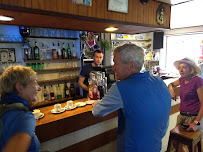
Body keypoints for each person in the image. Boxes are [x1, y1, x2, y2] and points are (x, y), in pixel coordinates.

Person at [92, 44, 171, 152]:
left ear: (131, 65)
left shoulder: (120, 88)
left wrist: (96, 104)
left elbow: (97, 111)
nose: (113, 67)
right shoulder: (159, 81)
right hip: (155, 146)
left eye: (116, 63)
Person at [0, 65, 41, 152]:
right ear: (20, 88)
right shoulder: (23, 116)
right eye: (34, 83)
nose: (39, 88)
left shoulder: (4, 109)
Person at [168, 57, 203, 152]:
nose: (181, 70)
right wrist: (171, 91)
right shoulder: (182, 80)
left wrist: (196, 123)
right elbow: (170, 84)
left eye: (184, 67)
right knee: (176, 143)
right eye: (179, 67)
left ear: (191, 69)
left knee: (193, 146)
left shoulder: (197, 81)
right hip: (182, 116)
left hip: (194, 117)